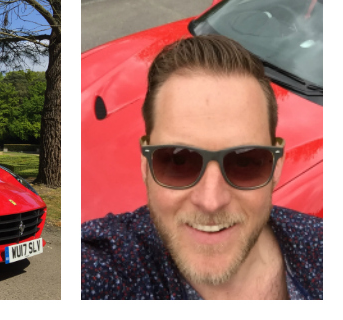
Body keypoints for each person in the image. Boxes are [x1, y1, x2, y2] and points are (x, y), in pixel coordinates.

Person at [81, 35, 322, 300]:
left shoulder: (321, 244)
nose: (211, 201)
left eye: (244, 161)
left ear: (276, 165)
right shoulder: (102, 268)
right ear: (145, 164)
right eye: (178, 160)